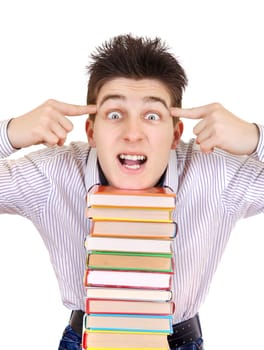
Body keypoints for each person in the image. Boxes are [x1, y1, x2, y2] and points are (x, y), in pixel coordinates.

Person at [0, 34, 263, 350]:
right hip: (85, 340)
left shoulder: (216, 172)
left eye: (152, 116)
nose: (133, 133)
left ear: (176, 132)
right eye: (114, 115)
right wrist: (10, 133)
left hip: (178, 340)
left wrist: (255, 138)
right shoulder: (52, 173)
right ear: (91, 130)